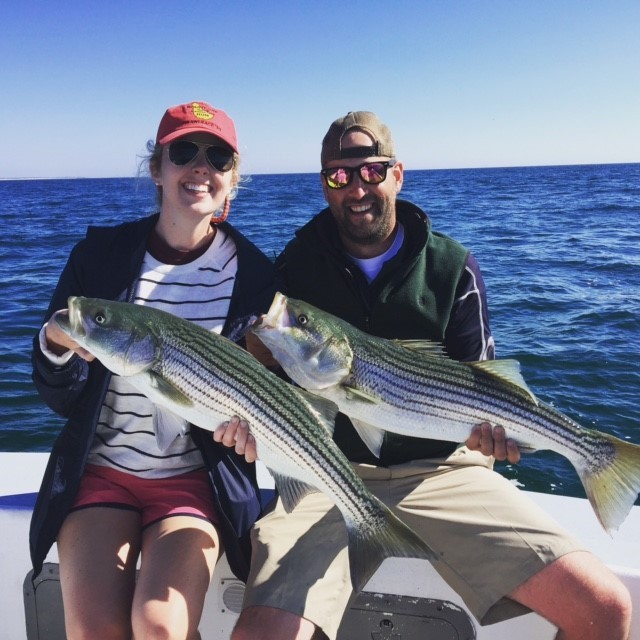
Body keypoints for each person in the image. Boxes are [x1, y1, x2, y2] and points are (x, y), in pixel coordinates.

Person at [225, 111, 632, 640]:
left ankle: (596, 456)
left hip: (444, 469)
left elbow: (485, 379)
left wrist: (495, 440)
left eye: (371, 171)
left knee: (605, 608)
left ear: (398, 173)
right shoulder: (294, 269)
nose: (356, 189)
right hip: (325, 471)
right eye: (338, 176)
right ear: (324, 184)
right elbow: (260, 369)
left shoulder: (452, 267)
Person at [30, 100, 277, 640]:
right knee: (94, 630)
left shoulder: (258, 279)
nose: (201, 168)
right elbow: (60, 394)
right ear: (157, 168)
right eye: (183, 151)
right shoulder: (100, 257)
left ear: (234, 178)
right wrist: (54, 345)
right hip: (100, 473)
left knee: (160, 626)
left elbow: (266, 388)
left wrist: (249, 431)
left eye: (219, 157)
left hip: (194, 478)